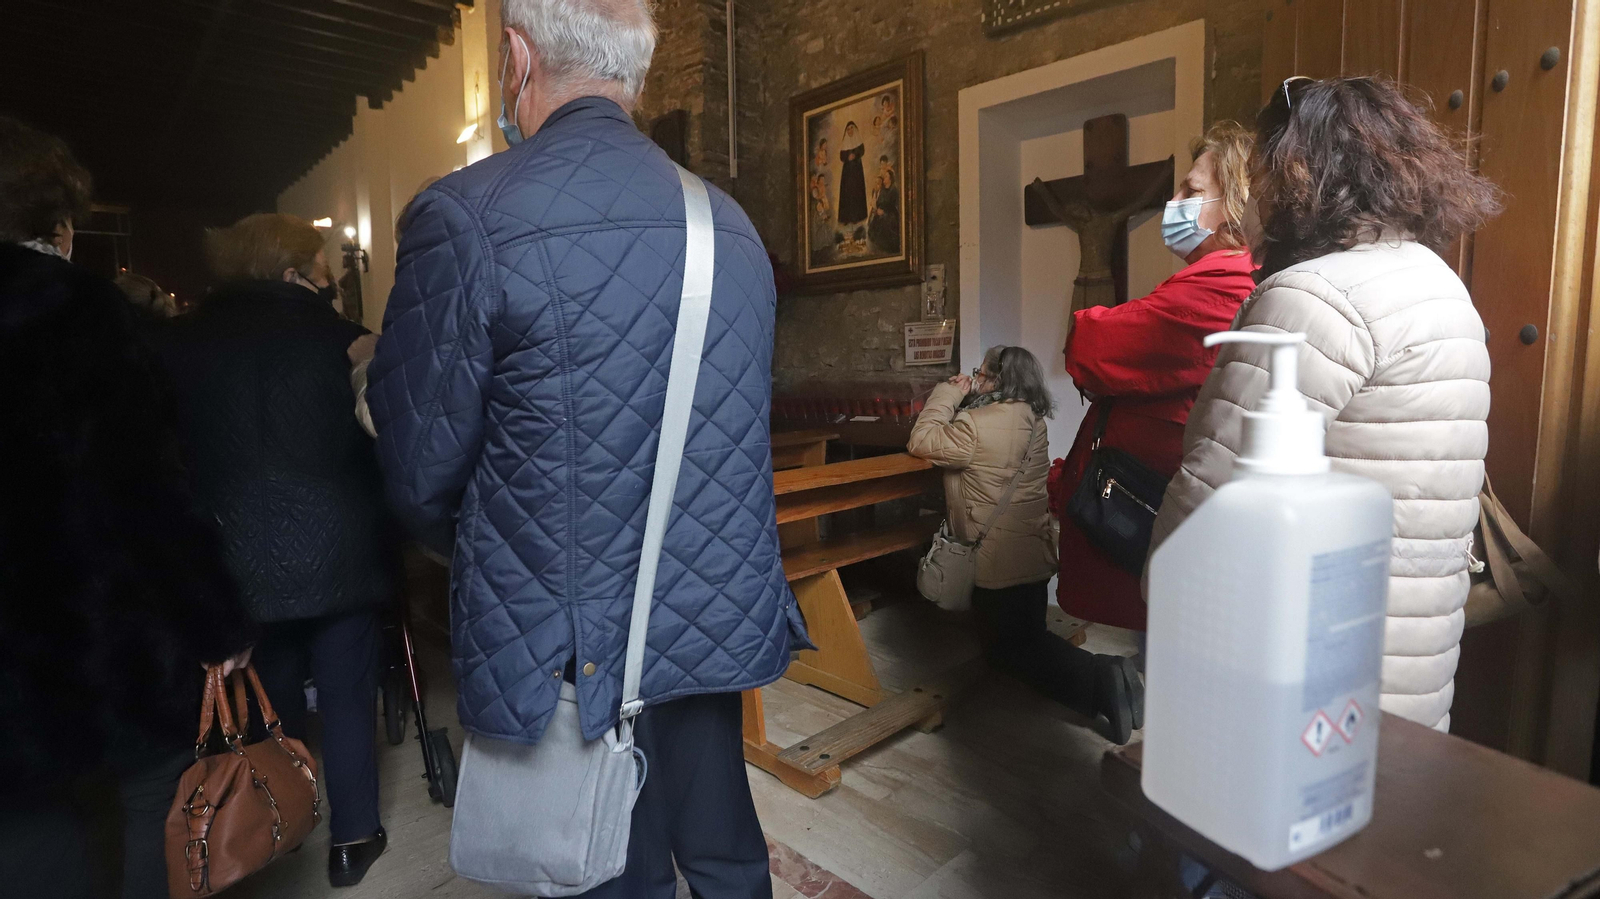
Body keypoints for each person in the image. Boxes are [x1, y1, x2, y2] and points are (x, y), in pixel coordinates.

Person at [367, 1, 809, 897]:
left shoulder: (467, 215)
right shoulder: (730, 224)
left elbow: (416, 473)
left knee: (604, 866)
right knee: (724, 853)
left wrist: (501, 545)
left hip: (563, 634)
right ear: (636, 75)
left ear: (516, 58)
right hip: (704, 612)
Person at [1149, 77, 1500, 731]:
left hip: (1312, 655)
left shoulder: (1312, 296)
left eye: (1261, 173)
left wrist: (1163, 591)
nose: (1255, 199)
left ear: (1299, 170)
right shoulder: (1437, 281)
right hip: (1411, 651)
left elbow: (1214, 491)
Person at [0, 115, 254, 899]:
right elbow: (146, 489)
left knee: (28, 836)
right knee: (151, 810)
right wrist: (216, 623)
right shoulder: (79, 312)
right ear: (53, 213)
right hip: (97, 645)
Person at [153, 212, 398, 886]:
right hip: (341, 547)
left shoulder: (179, 344)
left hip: (236, 555)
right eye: (322, 271)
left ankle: (286, 819)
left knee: (276, 688)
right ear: (293, 272)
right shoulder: (347, 340)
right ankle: (354, 838)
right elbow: (384, 436)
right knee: (348, 693)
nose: (328, 282)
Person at [1047, 122, 1258, 634]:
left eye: (1192, 190)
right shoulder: (1204, 278)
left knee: (1150, 658)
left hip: (1145, 505)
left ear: (1235, 205)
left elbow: (1090, 347)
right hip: (1139, 497)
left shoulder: (1225, 285)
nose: (1174, 200)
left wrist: (1095, 337)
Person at [910, 346, 1142, 743]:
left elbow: (922, 440)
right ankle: (1105, 682)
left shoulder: (974, 424)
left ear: (998, 379)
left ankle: (1101, 679)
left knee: (1012, 651)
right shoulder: (1032, 419)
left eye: (980, 374)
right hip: (1031, 552)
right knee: (1025, 640)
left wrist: (947, 393)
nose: (976, 380)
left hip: (995, 561)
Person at [836, 121, 868, 227]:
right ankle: (846, 218)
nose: (850, 131)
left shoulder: (858, 140)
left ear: (854, 129)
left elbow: (862, 150)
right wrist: (847, 157)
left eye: (851, 128)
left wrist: (855, 155)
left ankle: (856, 217)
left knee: (856, 192)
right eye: (848, 129)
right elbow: (841, 156)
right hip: (847, 172)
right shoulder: (845, 142)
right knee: (846, 193)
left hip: (857, 171)